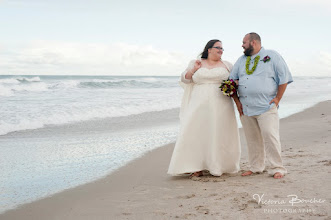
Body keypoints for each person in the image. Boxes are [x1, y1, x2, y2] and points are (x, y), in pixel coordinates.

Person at [167, 39, 241, 177]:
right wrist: (193, 69)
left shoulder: (227, 65)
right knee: (197, 132)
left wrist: (233, 87)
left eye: (222, 48)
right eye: (218, 47)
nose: (221, 50)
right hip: (198, 103)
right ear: (209, 49)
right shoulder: (196, 62)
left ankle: (216, 165)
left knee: (218, 132)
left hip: (221, 103)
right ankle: (196, 166)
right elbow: (185, 79)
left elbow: (236, 80)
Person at [229, 32, 293, 179]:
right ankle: (256, 167)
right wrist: (237, 102)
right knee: (252, 139)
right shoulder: (240, 60)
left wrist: (277, 98)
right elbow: (231, 82)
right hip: (246, 107)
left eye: (244, 42)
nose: (242, 45)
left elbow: (284, 78)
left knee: (270, 136)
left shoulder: (272, 56)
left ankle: (277, 168)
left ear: (253, 42)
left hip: (266, 106)